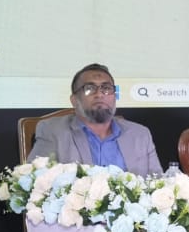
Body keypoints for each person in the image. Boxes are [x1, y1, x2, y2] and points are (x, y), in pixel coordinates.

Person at [27, 63, 162, 176]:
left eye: (106, 88)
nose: (99, 94)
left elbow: (158, 184)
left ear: (114, 96)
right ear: (74, 100)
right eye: (89, 89)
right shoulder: (53, 131)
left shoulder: (140, 134)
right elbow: (35, 182)